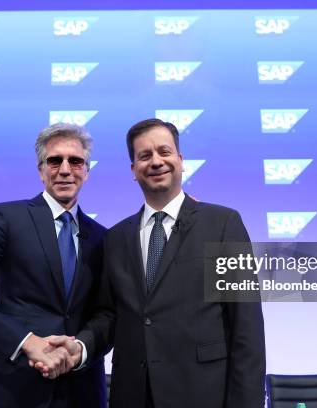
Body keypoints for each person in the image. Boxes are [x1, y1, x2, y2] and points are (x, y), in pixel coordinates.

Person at [35, 118, 266, 407]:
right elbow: (109, 317)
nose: (156, 162)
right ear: (134, 170)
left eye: (164, 152)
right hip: (133, 396)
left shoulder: (223, 224)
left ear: (181, 161)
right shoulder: (115, 238)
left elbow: (247, 328)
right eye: (144, 156)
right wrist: (80, 348)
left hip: (204, 395)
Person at [0, 123, 107, 408]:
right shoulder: (9, 218)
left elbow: (107, 312)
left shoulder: (103, 237)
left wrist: (78, 351)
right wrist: (28, 343)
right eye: (55, 161)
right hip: (13, 387)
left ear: (87, 171)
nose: (65, 169)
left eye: (75, 161)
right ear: (41, 170)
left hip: (82, 391)